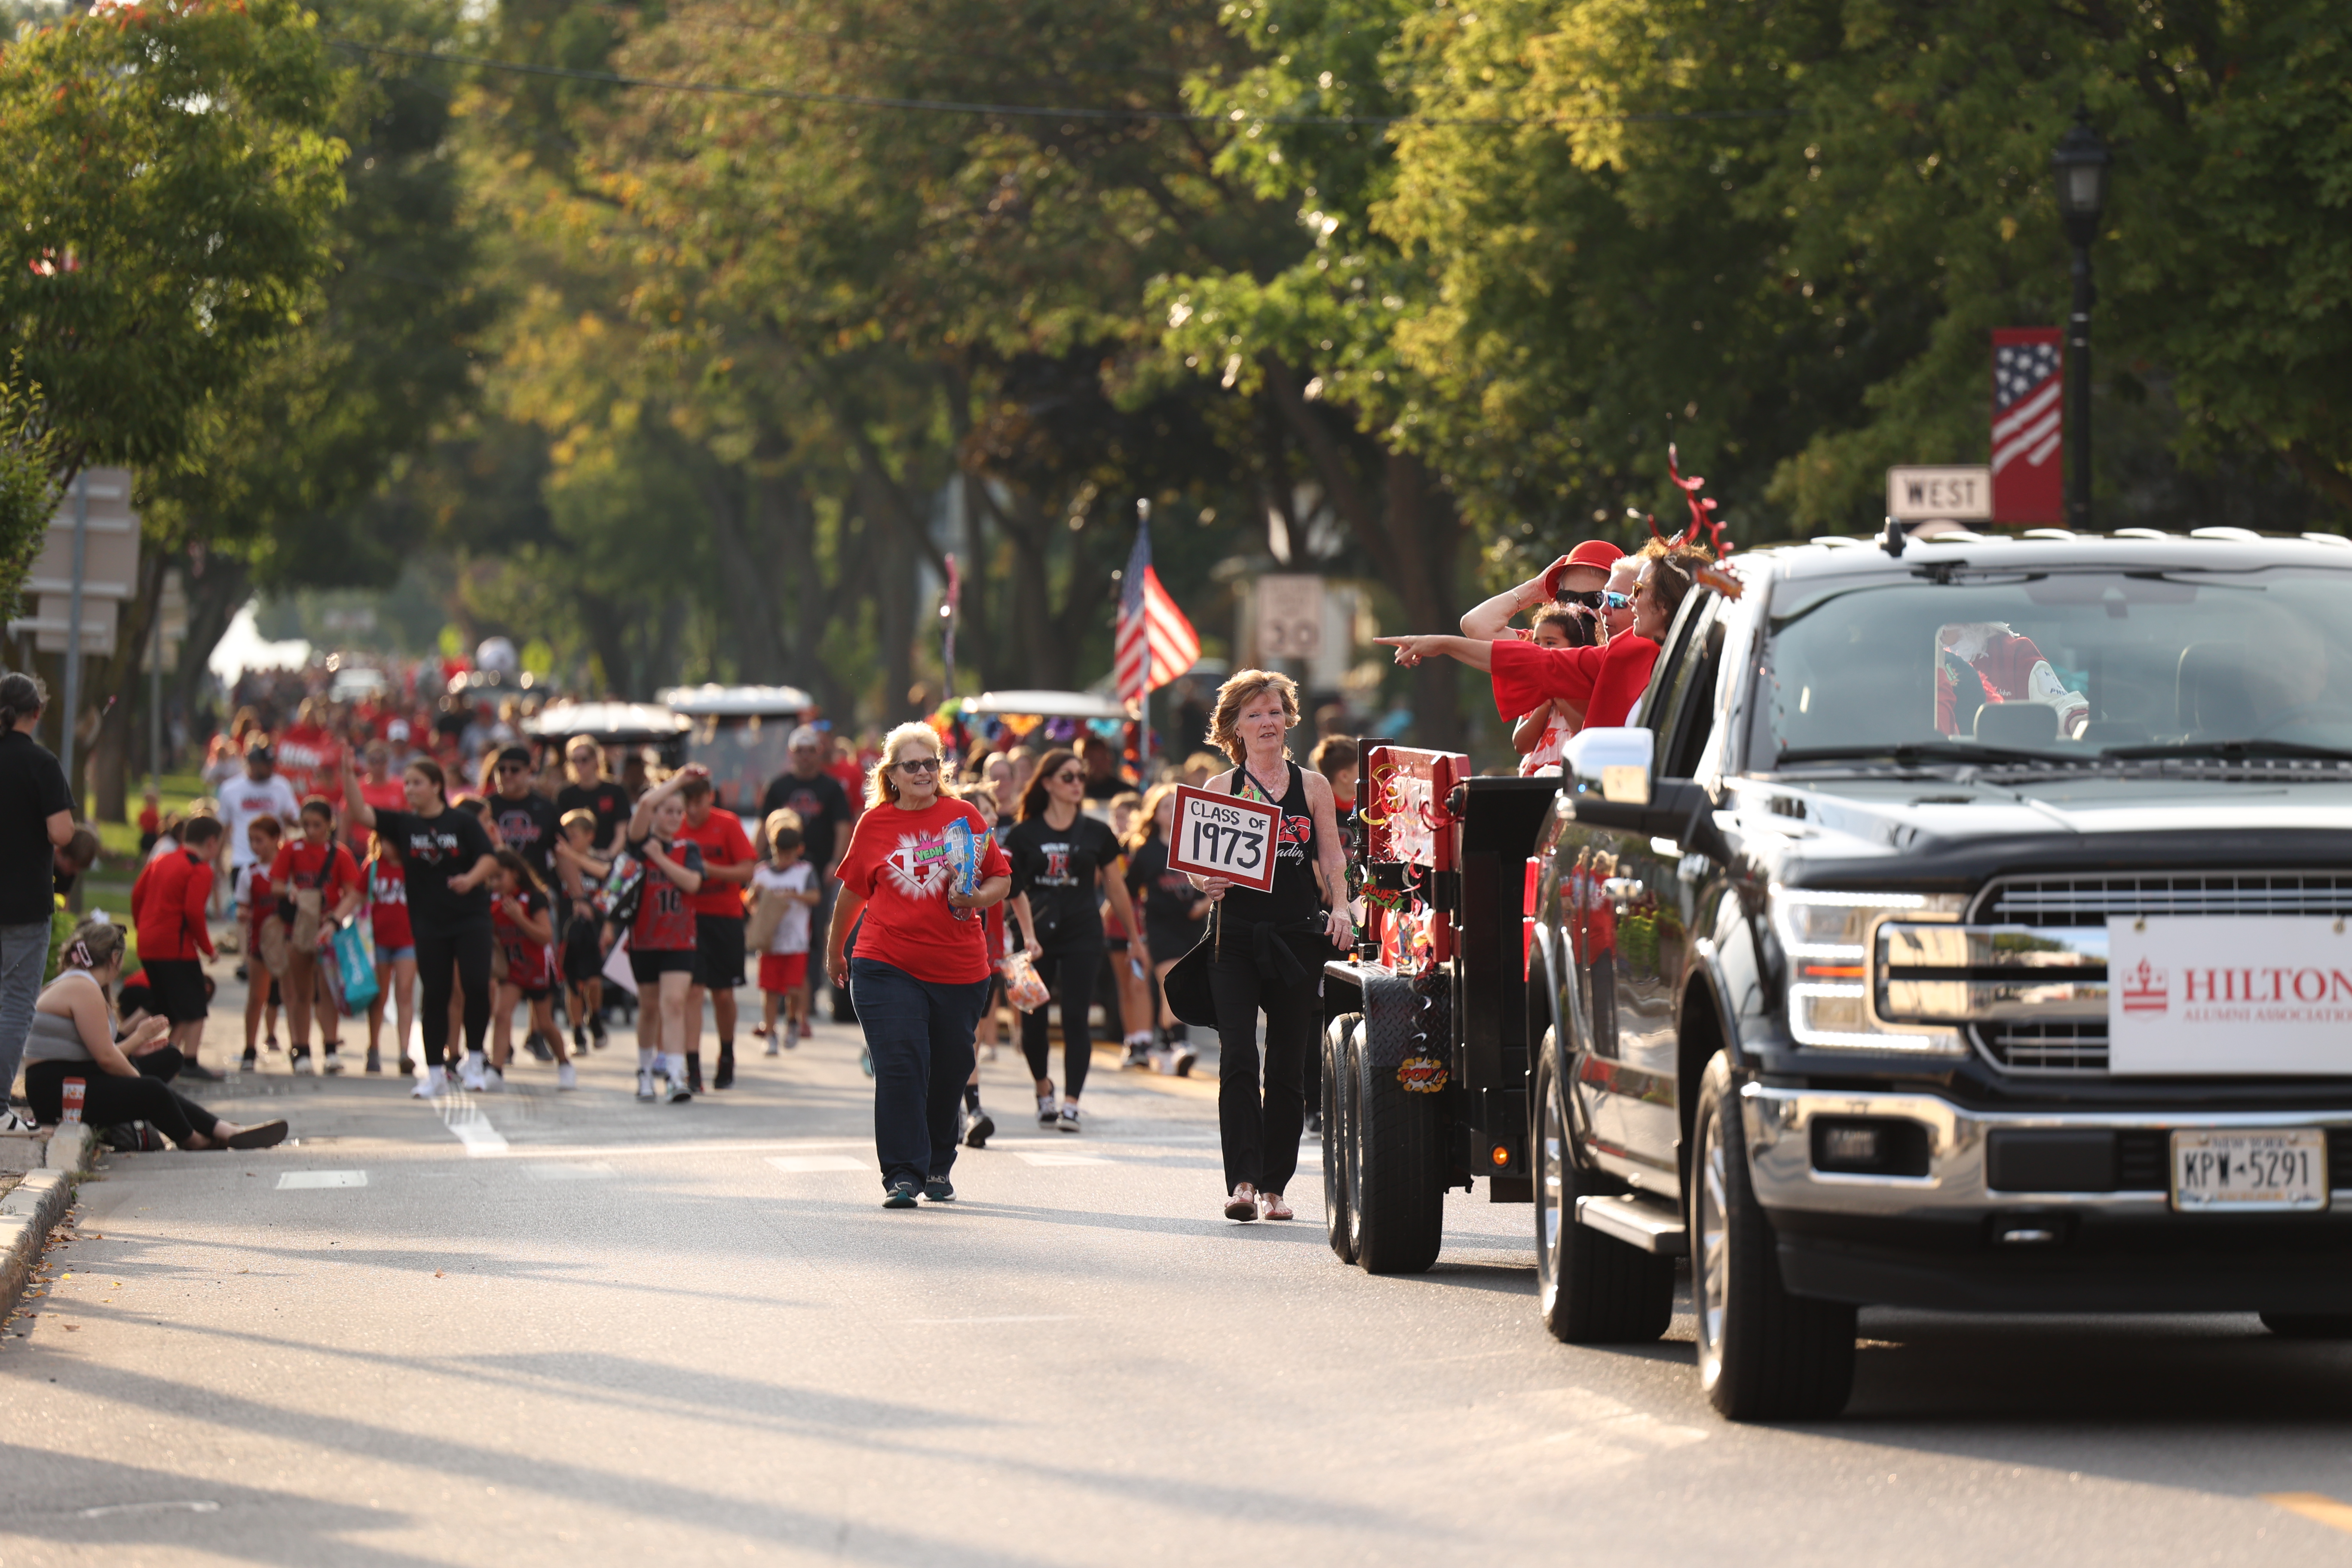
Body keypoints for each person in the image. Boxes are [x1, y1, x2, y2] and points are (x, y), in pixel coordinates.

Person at [1184, 670, 1351, 1223]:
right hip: (1233, 938)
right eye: (1255, 714)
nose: (1267, 723)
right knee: (1238, 1056)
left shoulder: (1314, 786)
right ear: (1235, 726)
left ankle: (1276, 1186)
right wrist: (1202, 884)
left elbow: (1331, 857)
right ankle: (1243, 1183)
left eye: (1275, 712)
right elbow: (1196, 867)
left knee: (1285, 1064)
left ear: (1289, 719)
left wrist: (1343, 906)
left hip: (1297, 937)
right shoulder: (1219, 790)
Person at [824, 722, 1010, 1208]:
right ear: (893, 774)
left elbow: (1000, 880)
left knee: (950, 1069)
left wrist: (976, 896)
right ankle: (903, 1175)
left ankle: (936, 1166)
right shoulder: (875, 824)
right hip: (886, 963)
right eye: (913, 765)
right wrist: (834, 951)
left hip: (959, 969)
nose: (924, 772)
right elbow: (852, 893)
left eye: (931, 763)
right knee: (902, 1064)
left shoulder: (964, 816)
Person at [24, 916, 285, 1149]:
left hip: (67, 1083)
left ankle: (220, 1129)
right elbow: (105, 1057)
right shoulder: (83, 988)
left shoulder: (72, 983)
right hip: (60, 1092)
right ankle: (194, 1138)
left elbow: (98, 1051)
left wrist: (136, 1050)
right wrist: (137, 1078)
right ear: (115, 958)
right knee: (151, 1088)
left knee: (165, 1061)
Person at [1375, 553, 1698, 735]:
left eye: (1606, 597)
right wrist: (1535, 590)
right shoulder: (1604, 652)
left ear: (1666, 604)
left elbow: (1538, 664)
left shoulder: (1638, 649)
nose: (1600, 608)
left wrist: (1443, 644)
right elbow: (1490, 636)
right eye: (1566, 597)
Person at [1002, 747, 1148, 1133]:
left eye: (1080, 777)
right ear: (1047, 783)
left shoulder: (1097, 833)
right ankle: (1043, 1090)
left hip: (1083, 931)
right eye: (1068, 777)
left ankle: (1071, 1103)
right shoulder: (1023, 834)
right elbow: (1010, 888)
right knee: (1034, 1018)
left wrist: (1134, 937)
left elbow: (1117, 889)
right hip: (1035, 935)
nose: (1077, 784)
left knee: (1075, 1018)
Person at [339, 753, 499, 1099]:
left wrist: (470, 879)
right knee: (436, 995)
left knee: (474, 984)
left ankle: (474, 1062)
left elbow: (489, 857)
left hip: (470, 917)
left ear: (436, 787)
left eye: (417, 783)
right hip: (429, 922)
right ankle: (436, 1074)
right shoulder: (405, 825)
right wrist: (348, 774)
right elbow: (360, 813)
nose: (409, 789)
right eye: (407, 782)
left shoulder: (462, 822)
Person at [0, 671, 81, 1130]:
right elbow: (61, 832)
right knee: (14, 1005)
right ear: (38, 712)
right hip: (26, 903)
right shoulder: (41, 764)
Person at [610, 766, 707, 1103]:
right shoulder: (639, 844)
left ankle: (677, 1075)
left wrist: (660, 859)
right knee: (649, 1007)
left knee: (675, 1003)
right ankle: (644, 1070)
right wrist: (679, 781)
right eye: (668, 811)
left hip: (680, 940)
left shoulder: (687, 849)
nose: (674, 817)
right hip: (645, 939)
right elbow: (644, 807)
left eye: (680, 813)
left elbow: (693, 883)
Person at [760, 726, 853, 1037]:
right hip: (781, 871)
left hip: (815, 871)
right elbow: (764, 827)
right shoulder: (778, 786)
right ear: (792, 754)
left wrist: (835, 864)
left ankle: (806, 999)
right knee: (776, 933)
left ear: (819, 753)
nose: (805, 756)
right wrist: (757, 863)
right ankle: (779, 997)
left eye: (810, 750)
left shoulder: (831, 788)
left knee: (811, 936)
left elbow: (843, 827)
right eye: (799, 750)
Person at [674, 774, 757, 1091]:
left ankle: (726, 1054)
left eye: (698, 802)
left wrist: (709, 870)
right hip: (689, 920)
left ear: (710, 797)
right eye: (687, 804)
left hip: (724, 918)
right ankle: (692, 1065)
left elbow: (747, 870)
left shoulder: (728, 824)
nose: (693, 811)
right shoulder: (676, 826)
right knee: (692, 992)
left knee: (722, 994)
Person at [270, 799, 364, 1075]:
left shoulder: (340, 854)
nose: (311, 831)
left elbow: (352, 892)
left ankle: (331, 1048)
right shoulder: (291, 850)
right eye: (306, 824)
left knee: (328, 993)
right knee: (301, 992)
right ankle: (301, 1048)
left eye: (317, 825)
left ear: (329, 825)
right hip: (299, 927)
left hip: (328, 928)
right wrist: (291, 891)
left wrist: (335, 919)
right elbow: (276, 883)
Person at [129, 816, 223, 1078]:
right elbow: (194, 912)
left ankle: (123, 1035)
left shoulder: (161, 860)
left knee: (163, 1002)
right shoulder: (200, 869)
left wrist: (144, 926)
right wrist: (208, 949)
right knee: (194, 1004)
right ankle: (186, 1061)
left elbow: (137, 895)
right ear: (212, 842)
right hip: (176, 948)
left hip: (148, 942)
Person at [1122, 782, 1204, 1075]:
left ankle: (1169, 1045)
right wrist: (1134, 934)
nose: (1172, 811)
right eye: (1166, 806)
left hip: (1193, 928)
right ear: (1155, 814)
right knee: (1172, 982)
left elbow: (1217, 881)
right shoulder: (1147, 852)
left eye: (1177, 805)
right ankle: (1180, 1045)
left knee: (1183, 987)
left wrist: (1205, 904)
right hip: (1161, 928)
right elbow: (1128, 891)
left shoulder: (1197, 843)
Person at [487, 849, 573, 1090]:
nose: (495, 883)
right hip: (512, 968)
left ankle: (565, 1063)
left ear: (515, 874)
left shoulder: (533, 898)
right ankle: (496, 1069)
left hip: (537, 967)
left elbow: (544, 936)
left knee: (545, 1024)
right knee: (502, 1014)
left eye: (499, 877)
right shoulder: (495, 901)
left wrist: (519, 918)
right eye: (491, 879)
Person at [749, 819, 819, 1051]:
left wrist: (794, 896)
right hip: (770, 942)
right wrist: (755, 896)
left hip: (796, 942)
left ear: (798, 851)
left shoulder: (804, 871)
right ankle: (770, 1033)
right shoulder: (762, 873)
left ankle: (792, 1021)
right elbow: (750, 903)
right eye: (780, 853)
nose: (785, 859)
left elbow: (815, 897)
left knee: (794, 988)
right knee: (769, 989)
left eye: (789, 854)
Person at [1511, 605, 1601, 775]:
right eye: (1537, 643)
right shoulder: (1535, 691)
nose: (1541, 649)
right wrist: (1544, 705)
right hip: (1535, 781)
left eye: (1551, 643)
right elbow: (1521, 745)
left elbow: (1587, 732)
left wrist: (1560, 698)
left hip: (1573, 777)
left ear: (1576, 648)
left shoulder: (1586, 686)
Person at [1103, 791, 1156, 1068]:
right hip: (1115, 927)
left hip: (1139, 923)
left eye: (1124, 816)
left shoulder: (1142, 848)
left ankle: (1145, 1041)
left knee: (1139, 983)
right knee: (1124, 985)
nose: (1119, 822)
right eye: (1116, 817)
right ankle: (1131, 1039)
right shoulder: (1110, 849)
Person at [554, 808, 611, 1053]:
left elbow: (611, 894)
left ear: (590, 836)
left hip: (594, 930)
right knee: (573, 983)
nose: (569, 841)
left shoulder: (598, 862)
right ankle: (577, 1032)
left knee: (595, 981)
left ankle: (595, 1016)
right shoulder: (560, 863)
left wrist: (608, 926)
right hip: (570, 929)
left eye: (574, 835)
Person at [364, 833, 417, 1077]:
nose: (388, 846)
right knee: (379, 996)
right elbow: (356, 896)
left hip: (408, 939)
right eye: (384, 840)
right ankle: (374, 1047)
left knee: (405, 992)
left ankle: (404, 1051)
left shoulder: (414, 868)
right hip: (378, 941)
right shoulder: (373, 867)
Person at [217, 741, 301, 893]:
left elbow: (296, 820)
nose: (271, 769)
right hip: (242, 860)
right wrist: (218, 862)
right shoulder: (230, 789)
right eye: (266, 765)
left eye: (272, 764)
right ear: (253, 764)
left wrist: (291, 821)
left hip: (273, 862)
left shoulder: (281, 786)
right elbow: (223, 828)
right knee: (244, 912)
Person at [236, 816, 285, 1069]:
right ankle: (249, 1048)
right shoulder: (250, 873)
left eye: (260, 840)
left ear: (276, 839)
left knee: (295, 996)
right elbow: (242, 909)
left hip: (287, 943)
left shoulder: (288, 870)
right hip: (261, 944)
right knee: (257, 997)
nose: (256, 846)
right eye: (252, 841)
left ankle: (304, 1047)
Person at [136, 788, 162, 856]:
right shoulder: (153, 813)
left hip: (146, 835)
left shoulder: (144, 812)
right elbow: (157, 825)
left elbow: (140, 824)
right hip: (152, 836)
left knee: (146, 855)